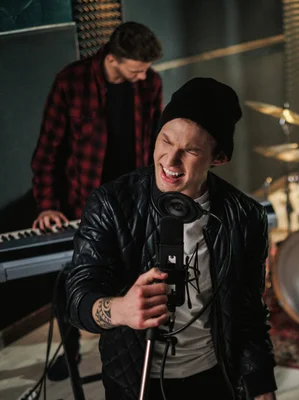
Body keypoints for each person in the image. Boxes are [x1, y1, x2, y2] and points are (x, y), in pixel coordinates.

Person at [64, 77, 277, 400]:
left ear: (218, 157)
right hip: (134, 381)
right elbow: (77, 296)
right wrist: (121, 310)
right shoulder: (111, 202)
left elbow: (248, 315)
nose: (170, 162)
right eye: (165, 141)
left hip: (214, 378)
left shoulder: (245, 217)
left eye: (190, 151)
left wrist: (261, 387)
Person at [30, 21, 163, 380]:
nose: (143, 76)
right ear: (114, 58)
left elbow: (154, 143)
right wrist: (47, 204)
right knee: (76, 282)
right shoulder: (70, 82)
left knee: (137, 276)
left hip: (132, 198)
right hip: (82, 203)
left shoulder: (150, 84)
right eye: (136, 68)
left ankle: (137, 351)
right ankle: (70, 353)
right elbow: (47, 153)